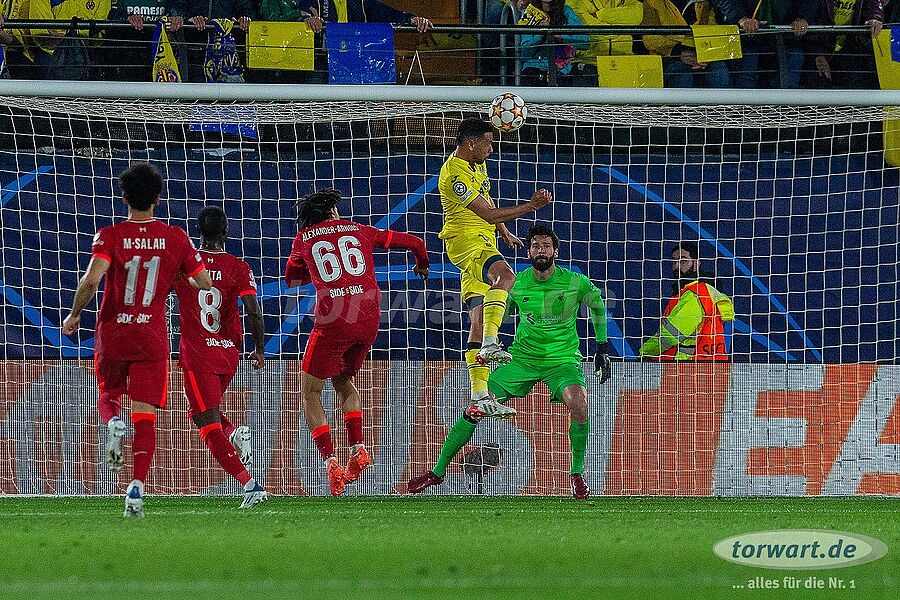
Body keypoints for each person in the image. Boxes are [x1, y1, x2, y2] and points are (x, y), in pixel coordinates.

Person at [408, 224, 612, 499]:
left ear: (556, 252)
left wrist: (602, 348)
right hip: (522, 361)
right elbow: (498, 315)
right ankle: (437, 471)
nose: (541, 251)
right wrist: (481, 322)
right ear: (529, 252)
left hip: (562, 361)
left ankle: (577, 473)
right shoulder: (516, 284)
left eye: (546, 246)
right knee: (476, 406)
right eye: (536, 246)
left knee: (580, 403)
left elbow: (598, 307)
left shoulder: (576, 282)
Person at [61, 163, 212, 517]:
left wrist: (74, 314)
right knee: (145, 416)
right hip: (151, 337)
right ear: (158, 199)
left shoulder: (109, 236)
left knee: (108, 393)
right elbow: (204, 282)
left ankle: (113, 421)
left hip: (114, 333)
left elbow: (91, 280)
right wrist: (180, 275)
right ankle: (136, 489)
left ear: (124, 197)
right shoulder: (176, 238)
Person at [284, 189, 429, 496]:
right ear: (333, 212)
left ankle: (331, 462)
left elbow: (291, 279)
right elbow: (416, 243)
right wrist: (422, 264)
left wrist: (314, 267)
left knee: (310, 392)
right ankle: (358, 447)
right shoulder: (360, 230)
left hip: (333, 320)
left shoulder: (304, 238)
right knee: (344, 382)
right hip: (368, 318)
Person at [439, 117, 551, 420]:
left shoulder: (477, 164)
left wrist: (504, 231)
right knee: (506, 276)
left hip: (483, 239)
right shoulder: (454, 175)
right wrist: (530, 207)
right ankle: (491, 343)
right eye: (488, 143)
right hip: (466, 242)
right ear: (471, 143)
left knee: (477, 318)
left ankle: (479, 397)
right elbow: (487, 213)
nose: (492, 148)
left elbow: (486, 201)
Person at [174, 206, 267, 509]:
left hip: (198, 355)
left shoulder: (186, 264)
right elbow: (253, 310)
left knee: (207, 425)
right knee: (202, 413)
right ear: (226, 232)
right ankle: (234, 433)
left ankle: (250, 485)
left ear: (198, 232)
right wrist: (260, 349)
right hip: (228, 355)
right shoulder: (239, 267)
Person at [639, 241, 735, 361]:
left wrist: (645, 352)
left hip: (690, 367)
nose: (676, 266)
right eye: (674, 261)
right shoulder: (706, 291)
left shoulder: (695, 294)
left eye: (683, 261)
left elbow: (671, 335)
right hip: (711, 365)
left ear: (696, 264)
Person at [711, 0, 817, 88]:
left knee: (791, 72)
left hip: (785, 40)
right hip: (746, 39)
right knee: (746, 78)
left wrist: (803, 18)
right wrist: (741, 18)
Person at [641, 0, 731, 88]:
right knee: (682, 74)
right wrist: (679, 52)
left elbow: (713, 30)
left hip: (700, 53)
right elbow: (650, 39)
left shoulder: (704, 2)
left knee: (720, 69)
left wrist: (706, 54)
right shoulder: (652, 2)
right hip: (667, 57)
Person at [808, 0, 883, 89]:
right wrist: (818, 54)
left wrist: (876, 18)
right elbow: (812, 19)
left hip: (849, 49)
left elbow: (874, 6)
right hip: (822, 48)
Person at [567, 0, 645, 86]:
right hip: (589, 62)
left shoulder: (627, 1)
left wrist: (599, 15)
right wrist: (622, 29)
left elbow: (637, 16)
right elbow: (590, 32)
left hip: (623, 61)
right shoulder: (574, 2)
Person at [516, 0, 590, 86]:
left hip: (562, 71)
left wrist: (559, 37)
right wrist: (541, 35)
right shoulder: (529, 13)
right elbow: (525, 53)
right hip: (534, 68)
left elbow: (585, 42)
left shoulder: (566, 11)